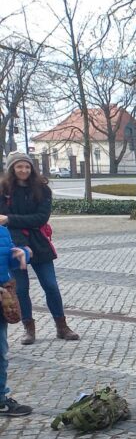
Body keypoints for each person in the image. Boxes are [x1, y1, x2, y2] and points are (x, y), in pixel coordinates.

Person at [0, 152, 80, 344]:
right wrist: (13, 225)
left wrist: (12, 219)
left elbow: (40, 218)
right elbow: (2, 219)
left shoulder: (42, 190)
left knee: (51, 285)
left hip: (39, 242)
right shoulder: (3, 190)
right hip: (13, 244)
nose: (24, 170)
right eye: (19, 166)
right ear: (12, 168)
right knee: (21, 289)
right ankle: (29, 328)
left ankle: (61, 326)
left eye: (27, 166)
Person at [0, 223, 31, 416]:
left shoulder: (2, 230)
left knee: (1, 352)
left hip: (3, 294)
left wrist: (21, 254)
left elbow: (7, 260)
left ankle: (1, 400)